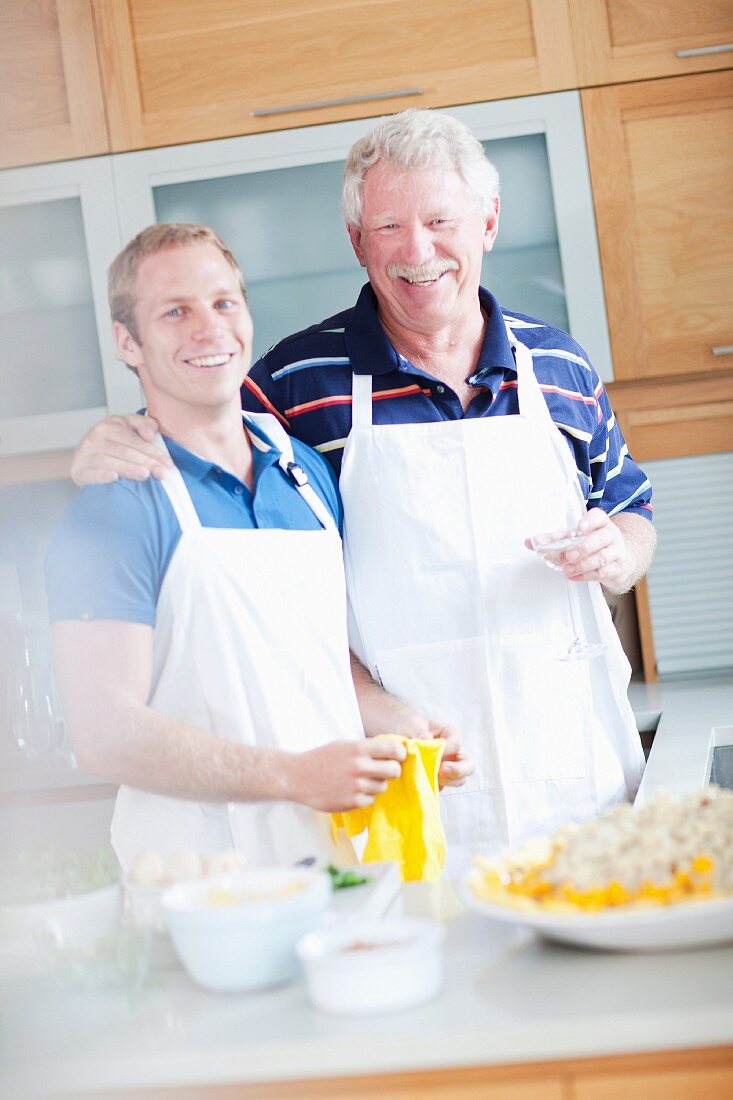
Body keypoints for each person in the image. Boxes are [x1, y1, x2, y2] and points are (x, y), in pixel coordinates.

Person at [70, 110, 656, 866]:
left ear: (487, 221)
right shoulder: (291, 384)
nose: (417, 252)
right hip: (401, 785)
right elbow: (193, 441)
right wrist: (102, 443)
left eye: (440, 219)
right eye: (387, 227)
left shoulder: (563, 365)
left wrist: (621, 551)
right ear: (356, 241)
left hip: (579, 776)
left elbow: (630, 508)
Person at [46, 223, 471, 871]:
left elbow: (314, 660)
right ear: (127, 342)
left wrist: (395, 724)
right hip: (203, 883)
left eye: (223, 303)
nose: (208, 329)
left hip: (331, 858)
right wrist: (293, 776)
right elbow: (104, 734)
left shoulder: (302, 473)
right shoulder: (116, 507)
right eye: (174, 312)